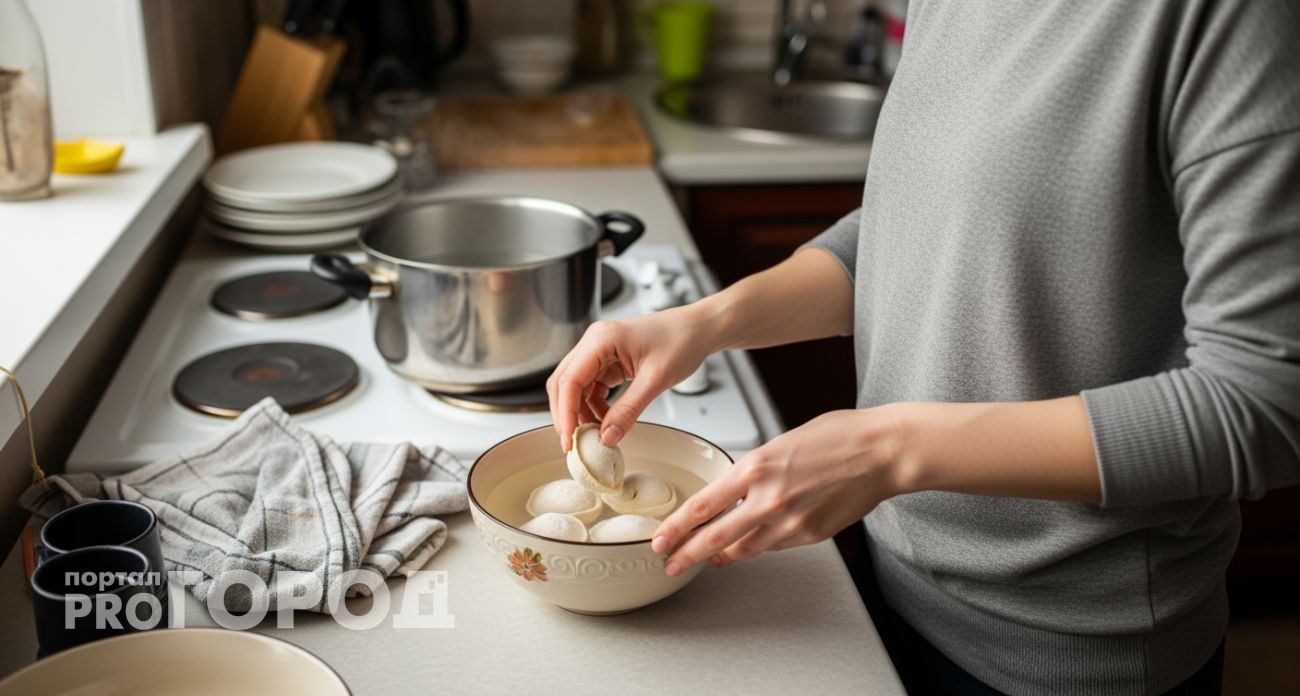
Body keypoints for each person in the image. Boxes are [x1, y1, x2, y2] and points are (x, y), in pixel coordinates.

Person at [546, 2, 1299, 694]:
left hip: (1063, 654)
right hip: (884, 594)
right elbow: (922, 226)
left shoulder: (1227, 20)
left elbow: (1263, 403)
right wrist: (705, 322)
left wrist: (888, 452)